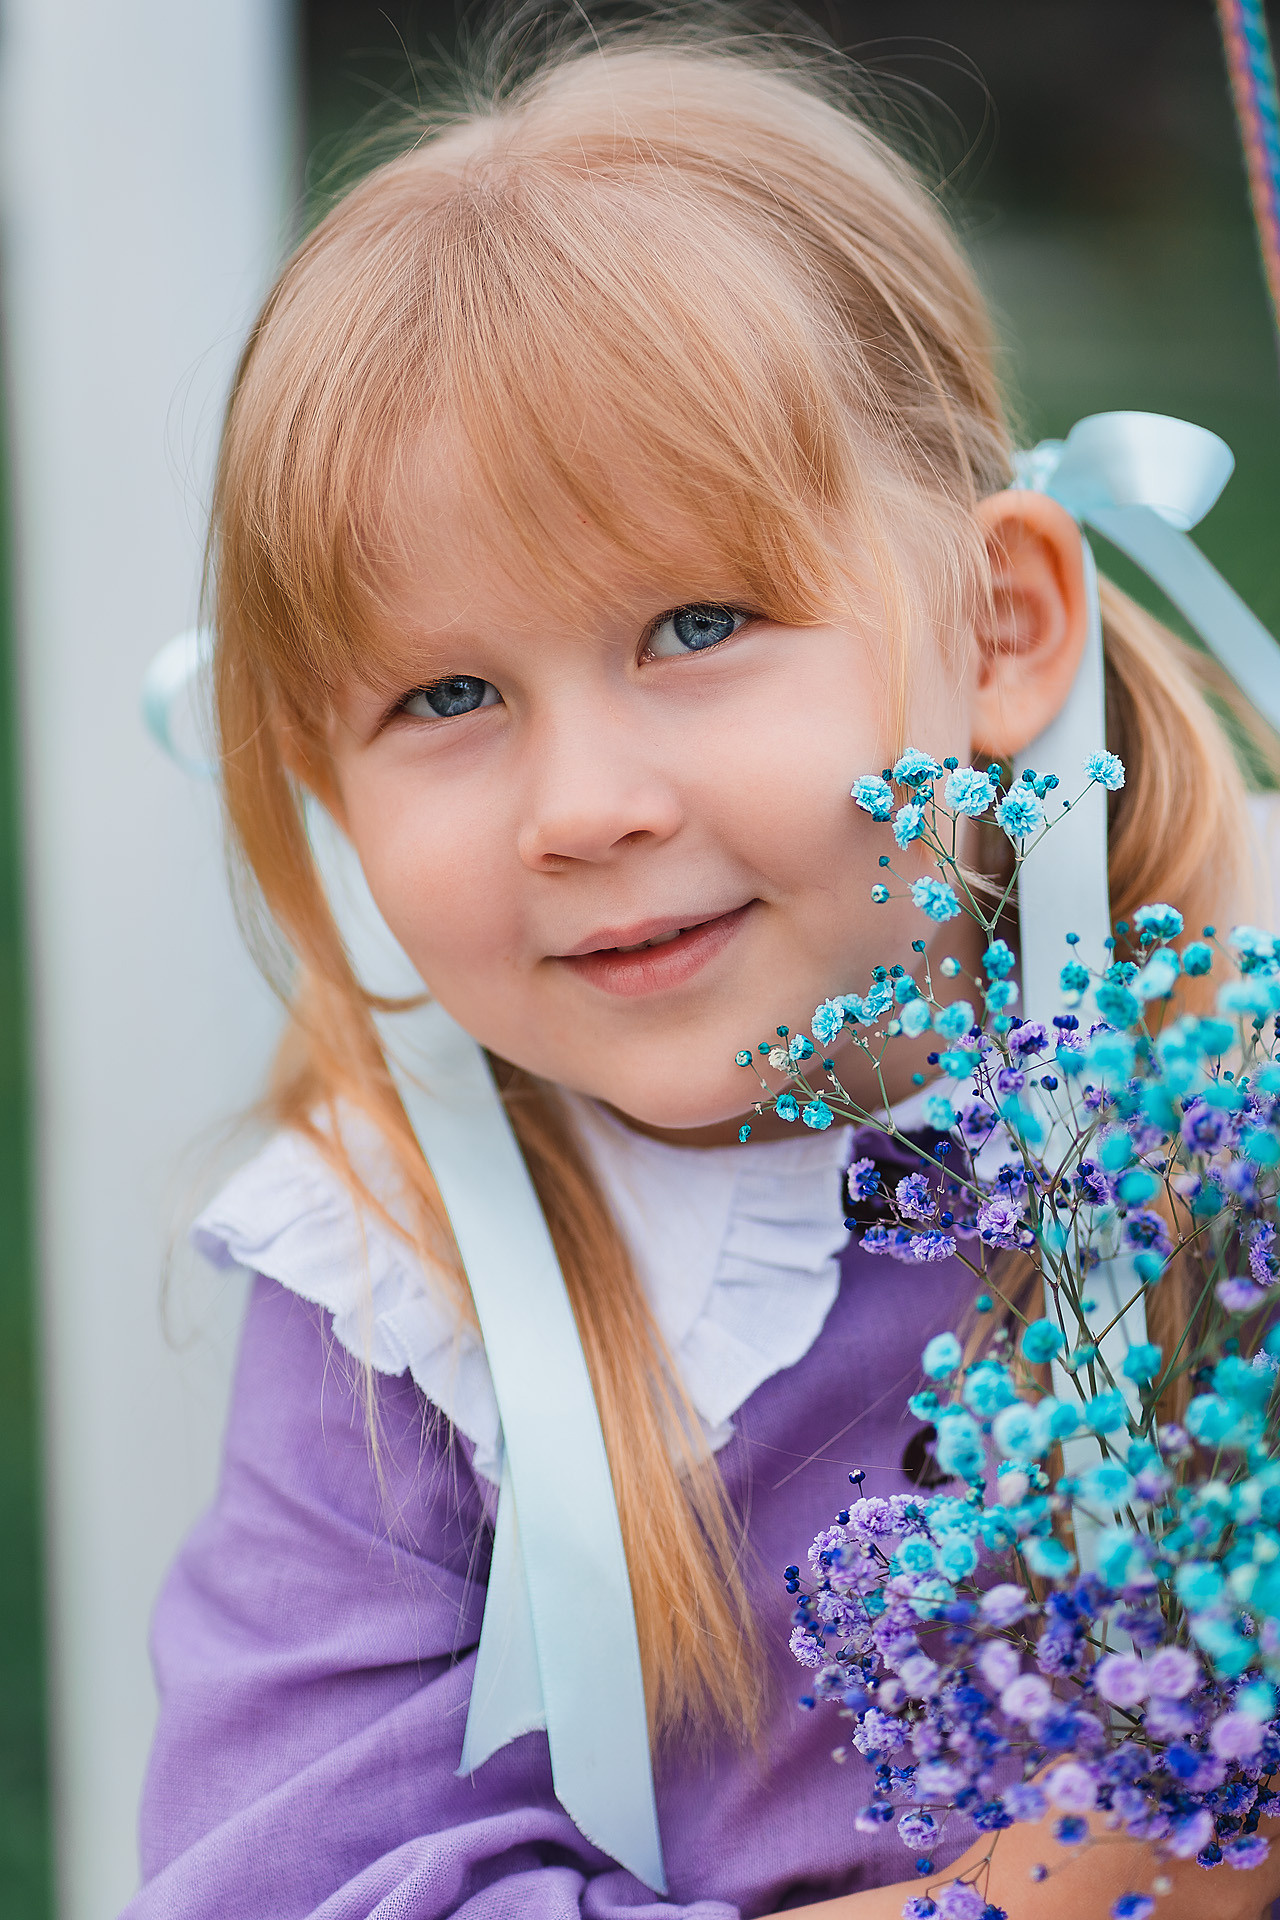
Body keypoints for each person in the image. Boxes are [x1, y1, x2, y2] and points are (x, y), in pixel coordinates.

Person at [122, 17, 1280, 1918]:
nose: (580, 806)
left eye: (696, 623)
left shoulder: (1216, 1106)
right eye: (449, 694)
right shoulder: (403, 1286)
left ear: (998, 626)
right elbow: (283, 1885)